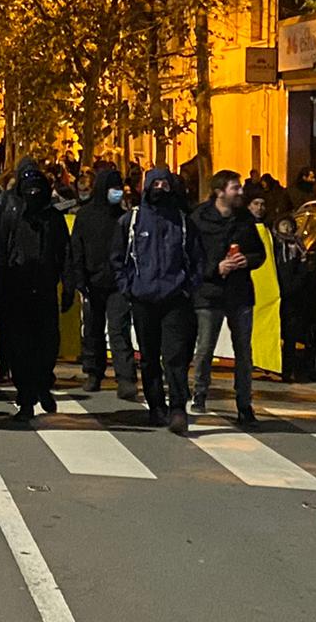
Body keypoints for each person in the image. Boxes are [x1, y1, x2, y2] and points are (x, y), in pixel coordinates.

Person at [114, 168, 203, 434]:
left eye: (165, 184)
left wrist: (188, 289)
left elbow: (198, 259)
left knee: (175, 356)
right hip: (143, 299)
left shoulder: (183, 222)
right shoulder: (132, 221)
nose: (161, 189)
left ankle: (178, 408)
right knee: (149, 356)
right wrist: (127, 287)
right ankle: (156, 407)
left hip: (175, 298)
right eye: (156, 184)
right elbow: (118, 258)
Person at [0, 156, 73, 424]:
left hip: (45, 291)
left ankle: (42, 384)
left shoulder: (53, 218)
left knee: (47, 345)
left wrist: (69, 285)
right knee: (20, 349)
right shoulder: (8, 214)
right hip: (16, 292)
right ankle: (26, 399)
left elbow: (65, 253)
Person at [188, 169, 267, 429]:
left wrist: (248, 260)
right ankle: (199, 393)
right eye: (236, 187)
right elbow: (191, 257)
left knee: (243, 350)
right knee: (205, 347)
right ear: (220, 191)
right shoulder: (199, 218)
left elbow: (260, 253)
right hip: (209, 293)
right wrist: (215, 268)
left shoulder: (244, 218)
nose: (241, 192)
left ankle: (244, 403)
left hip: (240, 293)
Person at [68, 167, 138, 399]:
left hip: (118, 283)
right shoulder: (86, 216)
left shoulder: (123, 217)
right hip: (92, 281)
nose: (117, 193)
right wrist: (80, 278)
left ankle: (125, 377)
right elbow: (77, 248)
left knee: (119, 329)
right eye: (113, 189)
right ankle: (93, 372)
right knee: (93, 329)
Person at [270, 213, 316, 380]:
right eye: (284, 225)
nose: (287, 229)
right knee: (274, 331)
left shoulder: (298, 245)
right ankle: (272, 364)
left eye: (290, 225)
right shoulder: (273, 244)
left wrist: (296, 284)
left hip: (293, 296)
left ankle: (287, 369)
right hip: (275, 294)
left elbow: (304, 268)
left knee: (290, 334)